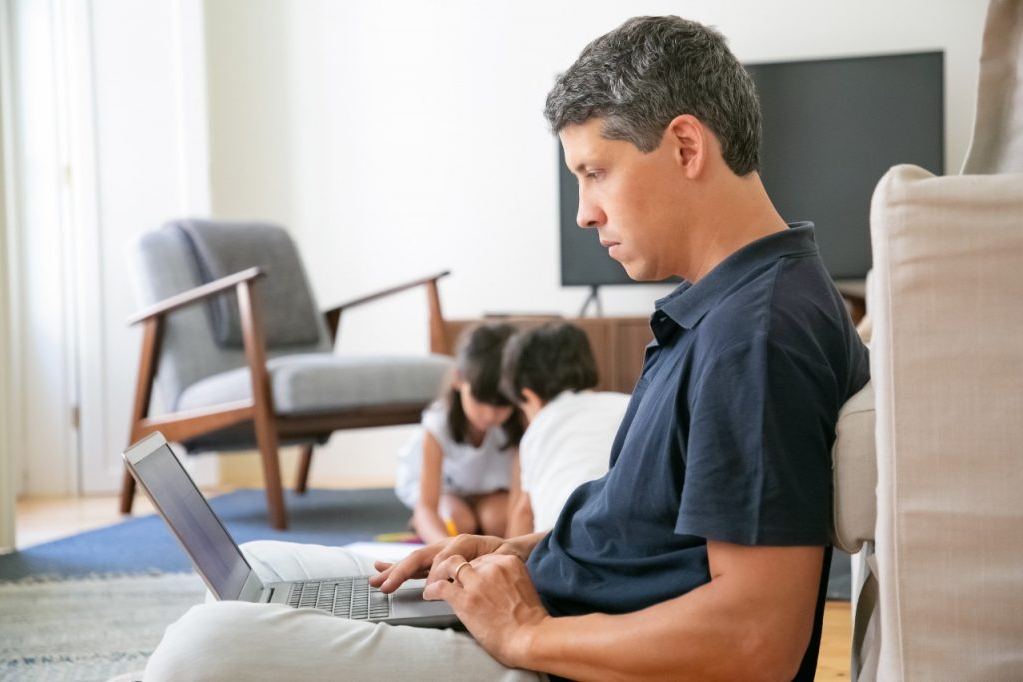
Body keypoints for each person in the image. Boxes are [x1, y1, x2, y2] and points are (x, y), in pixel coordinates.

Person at [144, 15, 869, 681]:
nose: (585, 212)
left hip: (558, 658)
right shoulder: (731, 306)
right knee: (261, 569)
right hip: (549, 619)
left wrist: (521, 634)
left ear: (685, 146)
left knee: (205, 649)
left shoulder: (758, 334)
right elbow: (645, 537)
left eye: (595, 172)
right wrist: (509, 554)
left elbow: (756, 640)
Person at [394, 322, 524, 544]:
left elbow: (520, 503)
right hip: (445, 491)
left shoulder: (519, 422)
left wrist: (511, 552)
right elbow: (427, 506)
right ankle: (426, 524)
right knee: (457, 522)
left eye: (503, 405)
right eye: (480, 401)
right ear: (457, 379)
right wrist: (445, 550)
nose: (491, 414)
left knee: (497, 519)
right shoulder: (438, 423)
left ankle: (477, 523)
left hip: (492, 491)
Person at [500, 322, 629, 535]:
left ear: (530, 396)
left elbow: (524, 513)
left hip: (561, 548)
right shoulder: (628, 405)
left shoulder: (537, 431)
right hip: (632, 540)